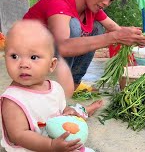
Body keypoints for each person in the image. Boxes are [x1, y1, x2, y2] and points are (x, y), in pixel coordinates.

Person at [23, 0, 145, 114]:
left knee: (97, 29)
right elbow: (63, 46)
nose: (106, 3)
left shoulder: (91, 9)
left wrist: (134, 38)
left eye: (111, 0)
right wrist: (114, 37)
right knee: (75, 27)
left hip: (46, 61)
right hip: (25, 62)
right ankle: (50, 92)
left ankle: (69, 89)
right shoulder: (58, 3)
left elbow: (115, 29)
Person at [1, 20, 96, 152]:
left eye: (33, 57)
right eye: (14, 56)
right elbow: (18, 135)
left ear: (51, 65)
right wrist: (50, 146)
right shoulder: (13, 99)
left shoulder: (55, 88)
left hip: (55, 141)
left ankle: (88, 109)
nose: (23, 64)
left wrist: (66, 112)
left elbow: (60, 110)